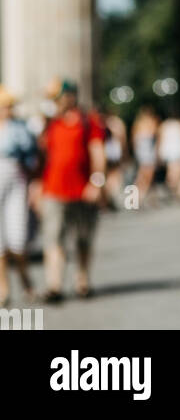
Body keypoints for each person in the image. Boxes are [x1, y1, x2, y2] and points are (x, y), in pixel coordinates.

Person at [38, 80, 106, 302]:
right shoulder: (49, 124)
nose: (55, 103)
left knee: (83, 239)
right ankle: (54, 286)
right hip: (53, 191)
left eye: (58, 98)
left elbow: (97, 152)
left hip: (82, 191)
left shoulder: (88, 122)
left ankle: (82, 281)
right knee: (53, 238)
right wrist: (37, 186)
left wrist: (96, 182)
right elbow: (42, 159)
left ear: (70, 97)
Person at [0, 86, 38, 306]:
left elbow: (31, 158)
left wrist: (34, 185)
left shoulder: (20, 129)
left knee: (17, 236)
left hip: (16, 179)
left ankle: (25, 279)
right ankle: (3, 287)